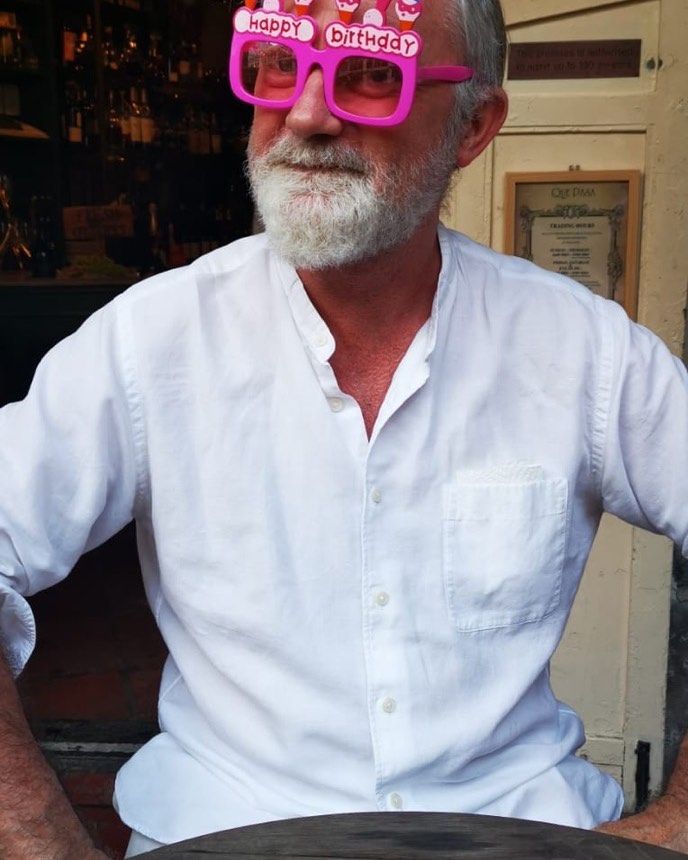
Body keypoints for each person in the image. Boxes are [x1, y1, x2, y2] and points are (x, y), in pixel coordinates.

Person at [1, 0, 687, 856]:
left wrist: (673, 829)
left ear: (473, 126)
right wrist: (40, 840)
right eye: (277, 66)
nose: (308, 114)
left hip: (516, 837)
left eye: (371, 75)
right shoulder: (150, 342)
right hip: (223, 837)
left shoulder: (582, 350)